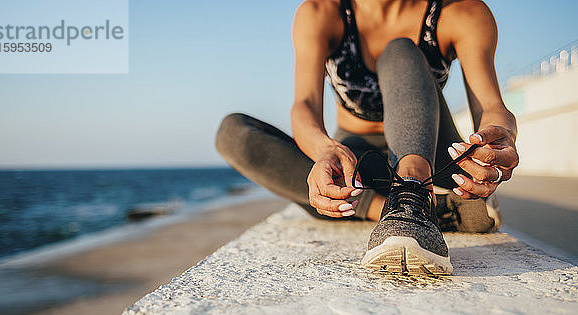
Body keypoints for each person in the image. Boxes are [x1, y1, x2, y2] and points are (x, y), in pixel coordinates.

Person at [216, 0, 519, 275]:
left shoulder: (462, 14)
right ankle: (412, 210)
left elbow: (492, 108)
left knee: (399, 50)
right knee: (233, 134)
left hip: (435, 157)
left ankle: (414, 189)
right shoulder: (322, 13)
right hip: (360, 161)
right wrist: (324, 149)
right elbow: (305, 104)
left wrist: (501, 137)